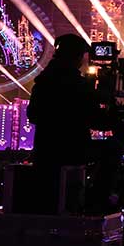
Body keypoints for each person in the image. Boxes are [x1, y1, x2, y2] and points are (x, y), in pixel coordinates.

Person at [26, 34, 104, 213]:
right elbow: (96, 120)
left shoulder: (44, 80)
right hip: (73, 150)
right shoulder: (77, 84)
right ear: (76, 56)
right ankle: (96, 202)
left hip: (45, 152)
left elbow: (33, 115)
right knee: (113, 149)